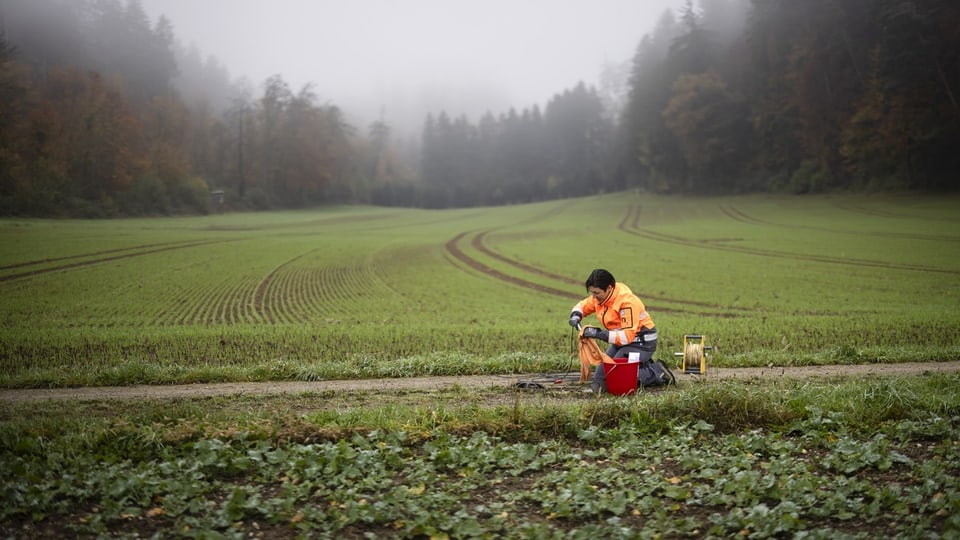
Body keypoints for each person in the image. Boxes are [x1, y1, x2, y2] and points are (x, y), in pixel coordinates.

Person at [568, 268, 658, 392]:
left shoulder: (626, 303)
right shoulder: (600, 297)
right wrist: (576, 315)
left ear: (609, 288)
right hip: (620, 343)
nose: (594, 297)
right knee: (599, 380)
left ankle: (657, 372)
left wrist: (598, 334)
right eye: (592, 293)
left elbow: (627, 337)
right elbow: (582, 306)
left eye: (596, 293)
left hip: (641, 343)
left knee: (617, 376)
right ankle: (638, 366)